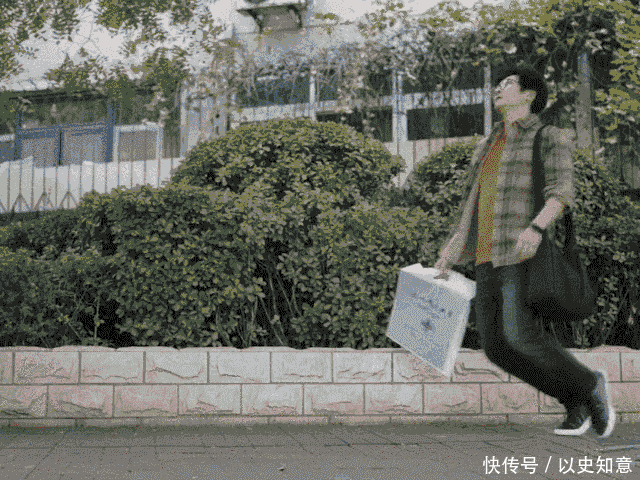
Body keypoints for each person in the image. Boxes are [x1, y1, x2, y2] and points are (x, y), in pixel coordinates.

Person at [433, 65, 615, 438]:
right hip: (485, 256)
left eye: (508, 83)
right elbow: (473, 202)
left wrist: (536, 227)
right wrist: (452, 249)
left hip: (519, 253)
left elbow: (562, 190)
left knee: (520, 336)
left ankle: (589, 384)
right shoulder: (489, 143)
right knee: (496, 348)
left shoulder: (549, 136)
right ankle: (576, 399)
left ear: (529, 95)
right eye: (498, 83)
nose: (498, 88)